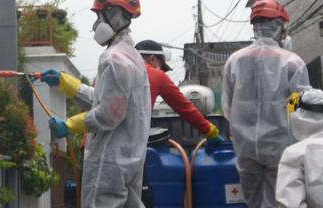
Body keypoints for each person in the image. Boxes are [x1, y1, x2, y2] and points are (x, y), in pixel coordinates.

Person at [47, 0, 161, 208]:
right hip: (131, 159)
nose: (95, 25)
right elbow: (104, 97)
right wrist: (65, 82)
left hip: (109, 160)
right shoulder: (131, 57)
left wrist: (69, 125)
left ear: (116, 15)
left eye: (99, 17)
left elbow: (109, 113)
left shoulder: (113, 60)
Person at [221, 0, 310, 208]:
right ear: (279, 27)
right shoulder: (292, 62)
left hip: (245, 148)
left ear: (256, 26)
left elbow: (227, 106)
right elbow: (302, 107)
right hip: (281, 148)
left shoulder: (234, 61)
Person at [42, 40, 226, 148]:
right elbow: (186, 109)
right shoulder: (154, 74)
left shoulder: (112, 69)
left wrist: (64, 82)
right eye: (161, 65)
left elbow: (94, 99)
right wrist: (211, 131)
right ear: (153, 59)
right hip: (122, 151)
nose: (162, 70)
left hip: (92, 147)